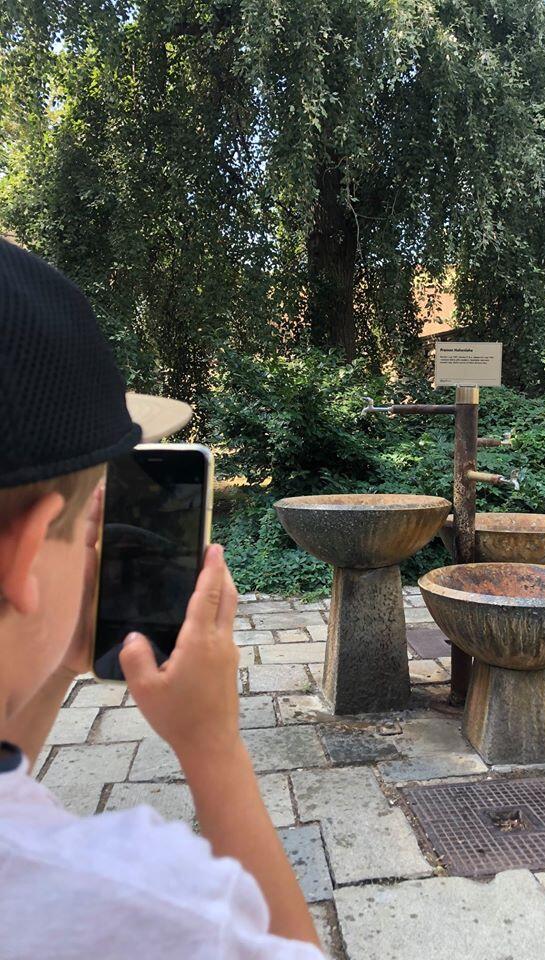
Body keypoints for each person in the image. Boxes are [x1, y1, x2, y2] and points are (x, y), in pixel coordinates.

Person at [0, 238, 324, 959]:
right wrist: (212, 746)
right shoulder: (139, 905)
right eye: (87, 521)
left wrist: (52, 651)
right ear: (26, 552)